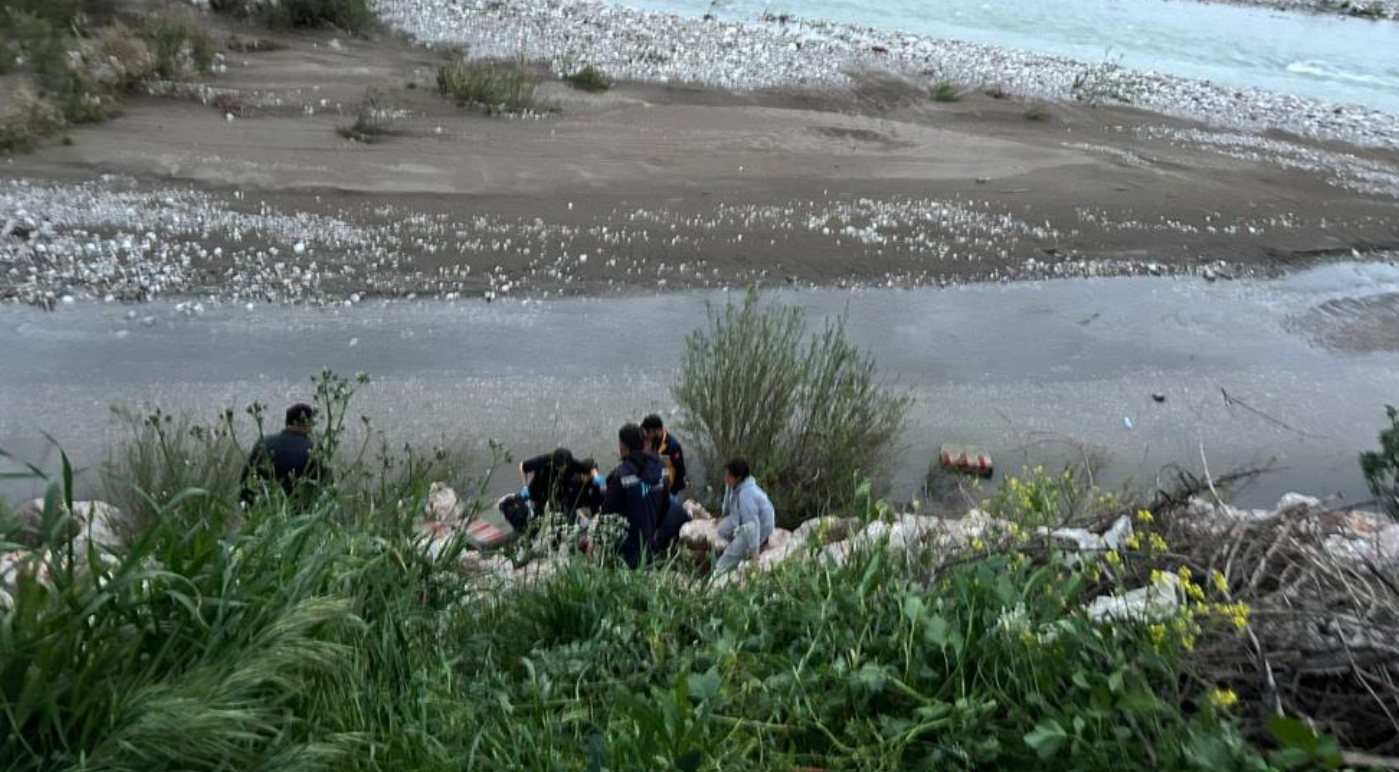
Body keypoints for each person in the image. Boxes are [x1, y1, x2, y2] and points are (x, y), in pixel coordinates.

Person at [599, 423, 668, 568]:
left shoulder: (620, 476)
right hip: (650, 551)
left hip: (625, 557)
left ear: (623, 446)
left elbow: (606, 518)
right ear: (643, 444)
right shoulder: (660, 468)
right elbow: (665, 506)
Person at [239, 403, 327, 505]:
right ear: (308, 424)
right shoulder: (314, 449)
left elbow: (245, 481)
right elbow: (326, 488)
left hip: (261, 509)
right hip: (300, 511)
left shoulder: (264, 443)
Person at [715, 459, 775, 573]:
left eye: (728, 476)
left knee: (728, 557)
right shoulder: (733, 484)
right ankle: (740, 541)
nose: (725, 479)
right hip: (740, 516)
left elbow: (753, 525)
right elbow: (727, 499)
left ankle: (757, 544)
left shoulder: (747, 495)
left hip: (761, 524)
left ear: (738, 478)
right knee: (721, 530)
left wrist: (754, 554)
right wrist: (723, 514)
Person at [519, 447, 598, 518]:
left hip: (558, 497)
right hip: (539, 492)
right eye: (562, 467)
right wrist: (525, 486)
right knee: (533, 516)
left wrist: (596, 476)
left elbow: (590, 466)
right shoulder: (545, 460)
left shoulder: (571, 463)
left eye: (566, 467)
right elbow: (522, 466)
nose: (564, 469)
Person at [641, 414, 687, 501]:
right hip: (654, 490)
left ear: (656, 430)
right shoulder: (649, 443)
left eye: (648, 432)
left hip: (669, 492)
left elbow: (680, 470)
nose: (646, 435)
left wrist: (673, 491)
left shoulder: (672, 446)